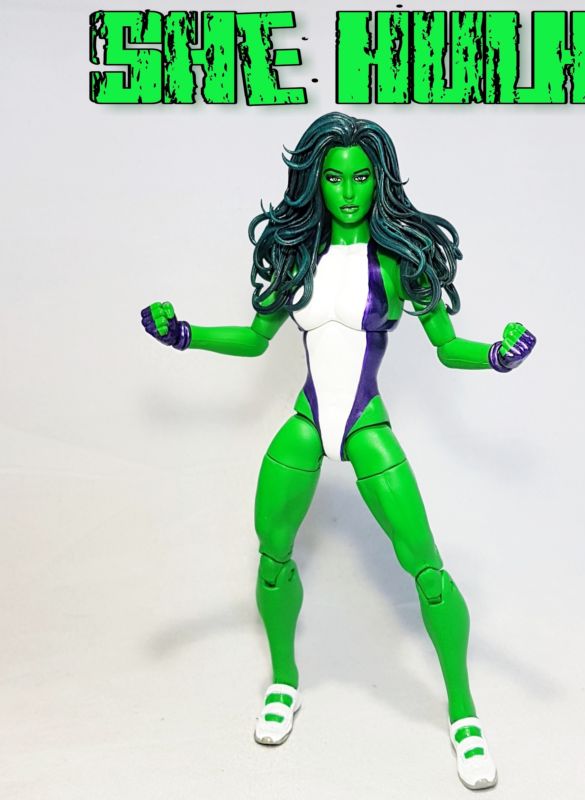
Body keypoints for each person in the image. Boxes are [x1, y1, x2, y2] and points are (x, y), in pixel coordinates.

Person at [141, 112, 536, 790]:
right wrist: (185, 334)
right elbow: (254, 339)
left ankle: (464, 714)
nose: (348, 191)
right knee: (272, 555)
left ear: (378, 181)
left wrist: (497, 355)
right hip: (305, 422)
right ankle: (284, 681)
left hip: (364, 424)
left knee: (427, 569)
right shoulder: (298, 258)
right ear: (315, 182)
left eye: (360, 177)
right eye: (334, 177)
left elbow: (447, 347)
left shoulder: (396, 263)